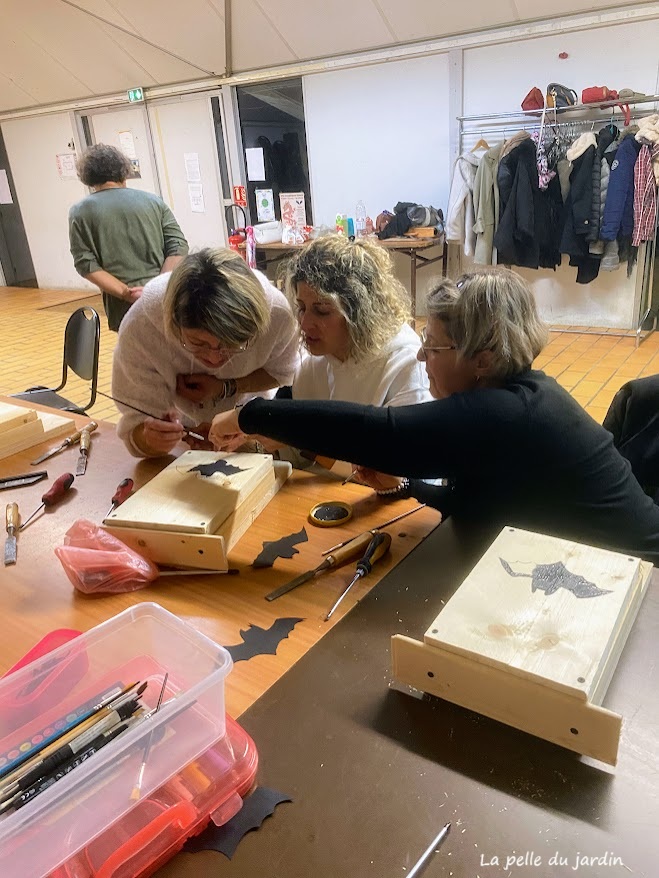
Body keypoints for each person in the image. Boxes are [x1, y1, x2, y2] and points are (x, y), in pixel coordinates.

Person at [209, 267, 659, 564]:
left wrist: (250, 415)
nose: (421, 355)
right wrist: (409, 486)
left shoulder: (507, 413)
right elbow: (481, 504)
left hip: (644, 583)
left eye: (434, 346)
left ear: (482, 359)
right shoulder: (518, 399)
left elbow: (379, 434)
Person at [262, 235, 431, 470]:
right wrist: (259, 438)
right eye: (301, 308)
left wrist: (300, 438)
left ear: (359, 312)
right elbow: (298, 463)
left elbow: (397, 474)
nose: (304, 323)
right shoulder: (312, 366)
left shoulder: (406, 364)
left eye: (322, 310)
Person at [113, 247, 299, 458]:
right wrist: (151, 439)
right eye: (198, 343)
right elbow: (135, 429)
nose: (214, 358)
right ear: (173, 324)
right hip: (179, 447)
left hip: (251, 429)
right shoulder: (142, 326)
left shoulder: (277, 314)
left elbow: (282, 373)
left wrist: (226, 387)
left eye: (231, 345)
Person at [69, 144, 188, 331]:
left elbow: (85, 264)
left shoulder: (80, 211)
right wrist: (156, 288)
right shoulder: (153, 202)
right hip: (164, 297)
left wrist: (126, 293)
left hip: (121, 305)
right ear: (123, 171)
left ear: (88, 177)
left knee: (132, 347)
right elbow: (178, 246)